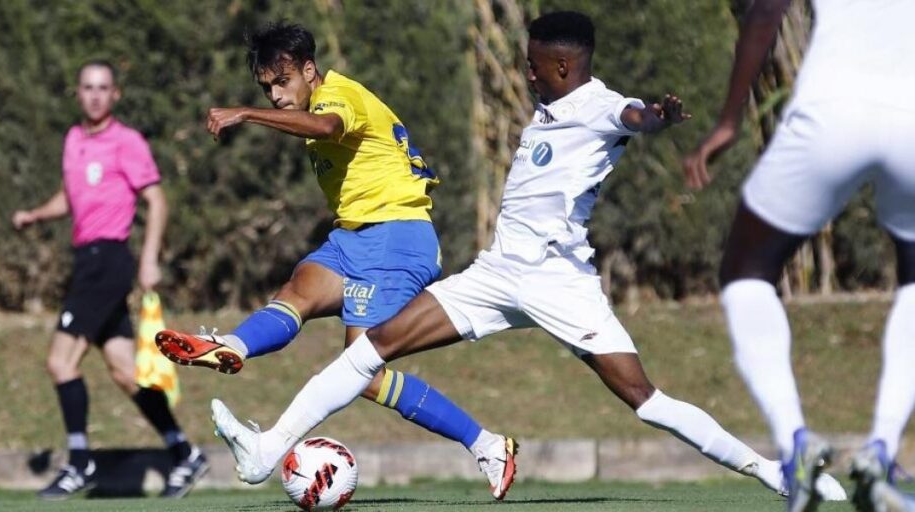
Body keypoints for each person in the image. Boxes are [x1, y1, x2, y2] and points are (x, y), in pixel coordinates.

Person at [198, 11, 845, 502]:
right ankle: (266, 452)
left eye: (534, 66)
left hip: (561, 283)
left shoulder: (595, 105)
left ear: (562, 67)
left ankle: (774, 472)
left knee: (645, 400)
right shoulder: (547, 108)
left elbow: (631, 115)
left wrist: (655, 117)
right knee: (367, 353)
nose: (527, 73)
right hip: (497, 273)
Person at [153, 22, 516, 498]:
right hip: (354, 237)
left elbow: (328, 126)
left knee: (362, 373)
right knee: (297, 291)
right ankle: (233, 347)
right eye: (266, 88)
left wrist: (246, 112)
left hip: (396, 238)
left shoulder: (338, 96)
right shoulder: (312, 106)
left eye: (283, 83)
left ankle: (487, 445)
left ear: (310, 71)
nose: (277, 95)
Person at [683, 0, 915, 510]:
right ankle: (882, 450)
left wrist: (728, 121)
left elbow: (764, 13)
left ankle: (795, 445)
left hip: (831, 110)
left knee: (746, 272)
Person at [12, 60, 207, 500]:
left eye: (104, 88)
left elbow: (156, 201)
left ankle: (79, 463)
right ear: (77, 94)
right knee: (124, 371)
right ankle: (184, 453)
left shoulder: (128, 142)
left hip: (108, 261)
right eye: (88, 87)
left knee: (60, 363)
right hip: (86, 260)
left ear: (115, 95)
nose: (96, 95)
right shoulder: (74, 140)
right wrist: (36, 215)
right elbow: (72, 194)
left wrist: (150, 258)